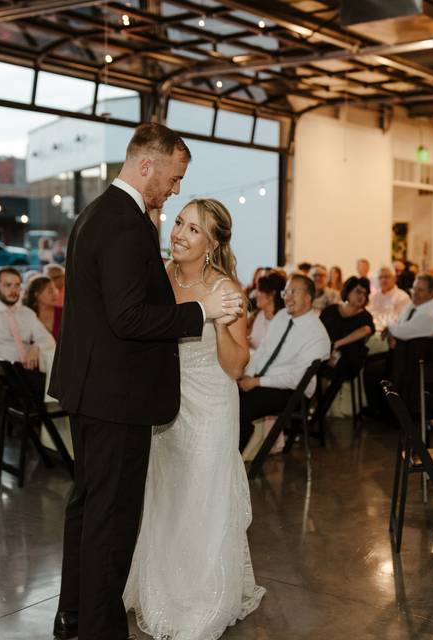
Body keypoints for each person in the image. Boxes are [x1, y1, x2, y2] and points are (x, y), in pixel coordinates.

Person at [48, 123, 243, 640]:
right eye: (174, 178)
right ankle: (100, 629)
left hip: (93, 390)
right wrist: (200, 311)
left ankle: (73, 616)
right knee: (111, 522)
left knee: (87, 509)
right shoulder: (126, 224)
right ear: (147, 166)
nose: (175, 189)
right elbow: (128, 319)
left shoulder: (97, 213)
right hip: (117, 397)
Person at [125, 197, 264, 640]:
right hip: (165, 403)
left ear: (213, 242)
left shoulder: (227, 289)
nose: (179, 234)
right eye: (179, 223)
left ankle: (201, 595)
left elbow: (237, 366)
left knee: (201, 496)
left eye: (193, 230)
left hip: (210, 406)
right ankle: (159, 584)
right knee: (166, 494)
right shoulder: (160, 277)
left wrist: (221, 323)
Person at [237, 274, 330, 452]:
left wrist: (256, 382)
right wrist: (248, 373)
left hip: (292, 391)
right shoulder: (281, 316)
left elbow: (296, 378)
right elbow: (263, 351)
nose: (287, 297)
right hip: (264, 379)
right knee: (226, 396)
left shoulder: (318, 335)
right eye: (285, 292)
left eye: (293, 292)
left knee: (240, 410)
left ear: (309, 297)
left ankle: (231, 467)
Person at [0, 266, 54, 372]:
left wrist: (36, 347)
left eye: (17, 285)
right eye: (7, 285)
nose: (13, 290)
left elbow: (48, 340)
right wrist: (1, 367)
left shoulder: (27, 313)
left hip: (27, 372)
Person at [319, 277, 375, 380]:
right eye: (358, 292)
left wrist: (337, 344)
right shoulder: (331, 310)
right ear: (348, 291)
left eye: (365, 294)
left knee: (328, 368)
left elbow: (366, 330)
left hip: (348, 358)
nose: (361, 296)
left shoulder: (365, 316)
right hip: (325, 352)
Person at [384, 274, 433, 347]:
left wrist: (389, 328)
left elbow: (403, 332)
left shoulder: (431, 313)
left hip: (422, 356)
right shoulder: (415, 304)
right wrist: (391, 330)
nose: (415, 293)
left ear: (431, 293)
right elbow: (399, 322)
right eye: (414, 288)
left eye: (420, 290)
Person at [248, 272, 285, 350]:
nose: (256, 294)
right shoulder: (257, 315)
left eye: (259, 290)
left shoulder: (284, 321)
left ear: (272, 294)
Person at [23, 274, 62, 341]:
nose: (55, 294)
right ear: (37, 294)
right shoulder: (27, 314)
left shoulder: (64, 313)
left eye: (55, 290)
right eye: (50, 291)